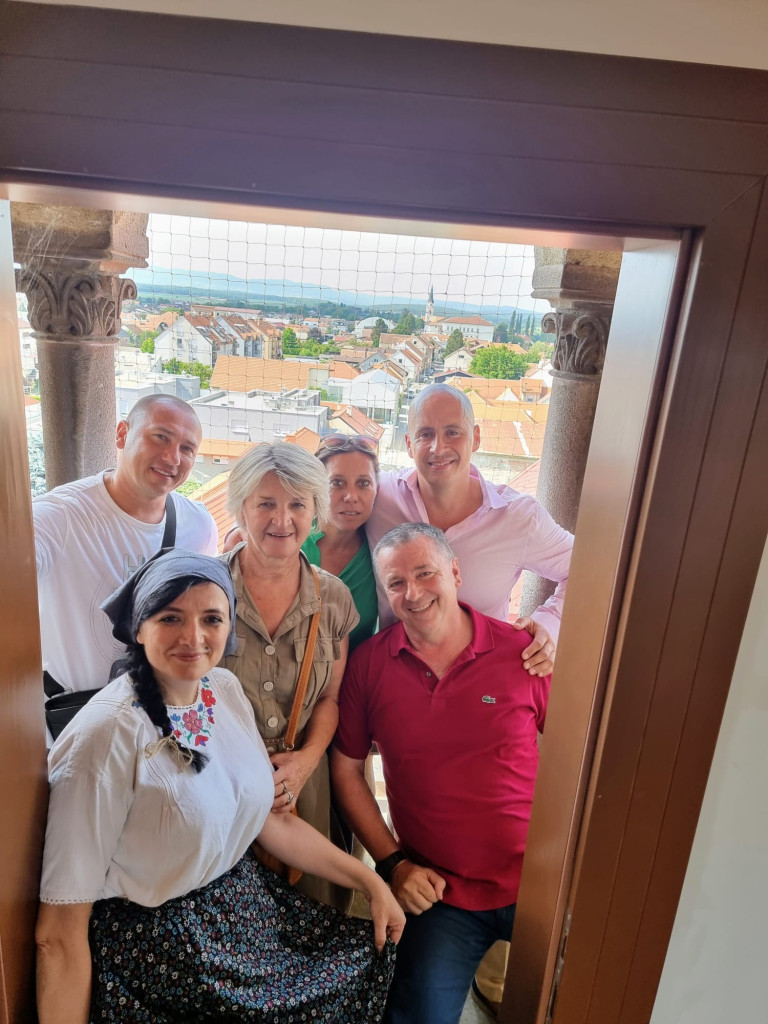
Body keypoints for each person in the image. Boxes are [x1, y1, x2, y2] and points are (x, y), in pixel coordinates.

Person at [36, 549, 404, 1024]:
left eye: (211, 618)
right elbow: (58, 933)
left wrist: (370, 882)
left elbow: (269, 822)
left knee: (367, 953)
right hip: (164, 953)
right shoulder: (105, 738)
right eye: (170, 618)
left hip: (242, 914)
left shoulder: (222, 689)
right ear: (139, 628)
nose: (193, 637)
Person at [331, 523, 551, 1024]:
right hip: (440, 893)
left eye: (425, 573)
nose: (413, 593)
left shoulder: (522, 653)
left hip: (541, 883)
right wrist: (394, 865)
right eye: (396, 583)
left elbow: (579, 753)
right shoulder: (369, 666)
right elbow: (346, 771)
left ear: (455, 572)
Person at [221, 442, 359, 910]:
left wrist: (303, 764)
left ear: (315, 511)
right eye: (266, 503)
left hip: (300, 793)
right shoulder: (204, 589)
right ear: (241, 507)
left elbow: (330, 699)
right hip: (220, 788)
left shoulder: (334, 598)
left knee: (309, 922)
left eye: (298, 504)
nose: (282, 520)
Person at [365, 382, 573, 678]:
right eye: (426, 434)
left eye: (453, 432)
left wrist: (549, 626)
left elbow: (584, 570)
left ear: (475, 438)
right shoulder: (379, 497)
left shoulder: (518, 518)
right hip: (395, 680)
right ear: (409, 444)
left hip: (481, 683)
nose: (438, 448)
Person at [33, 394, 217, 699]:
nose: (172, 458)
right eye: (160, 437)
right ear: (122, 434)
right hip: (74, 713)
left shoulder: (199, 525)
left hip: (160, 710)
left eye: (187, 448)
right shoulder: (59, 516)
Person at [302, 433, 380, 651]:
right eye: (337, 483)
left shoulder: (379, 550)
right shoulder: (292, 540)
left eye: (363, 483)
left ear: (377, 489)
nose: (351, 496)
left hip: (355, 671)